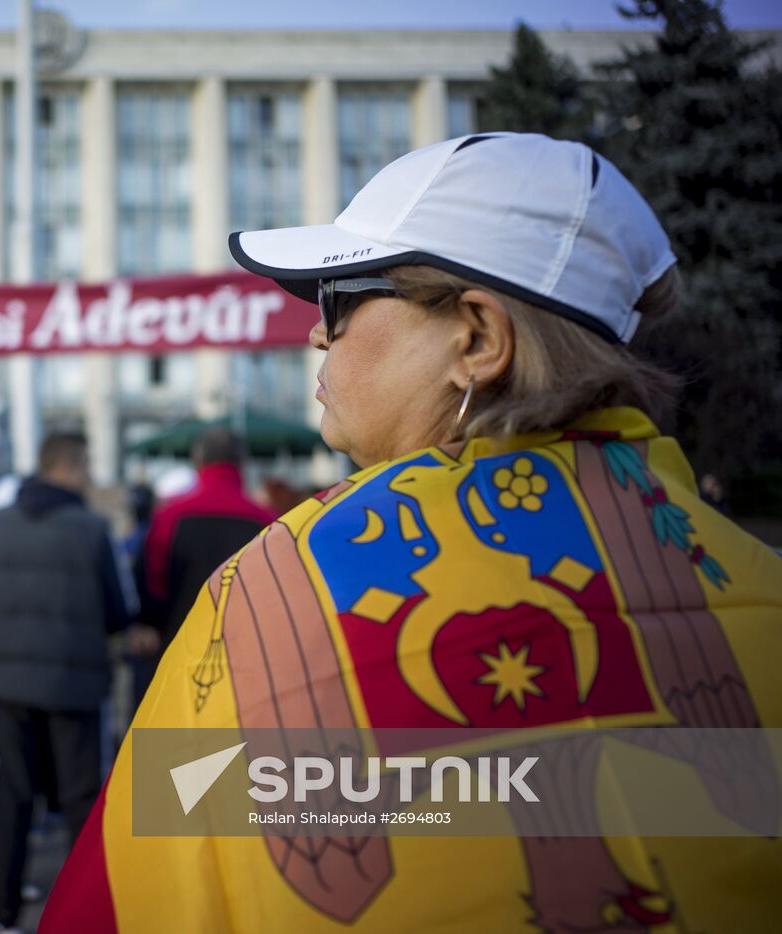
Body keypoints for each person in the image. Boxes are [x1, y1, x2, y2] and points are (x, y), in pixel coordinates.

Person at [41, 133, 782, 932]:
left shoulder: (280, 582)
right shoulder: (757, 579)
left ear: (477, 338)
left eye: (338, 298)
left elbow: (115, 897)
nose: (317, 335)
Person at [0, 433, 137, 934]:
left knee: (11, 799)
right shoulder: (91, 529)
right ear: (72, 467)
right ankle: (85, 917)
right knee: (84, 802)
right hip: (74, 685)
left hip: (4, 684)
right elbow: (118, 611)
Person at [133, 427, 276, 706]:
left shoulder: (168, 517)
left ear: (197, 461)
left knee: (163, 747)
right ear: (242, 463)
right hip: (244, 665)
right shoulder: (268, 522)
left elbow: (151, 585)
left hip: (176, 656)